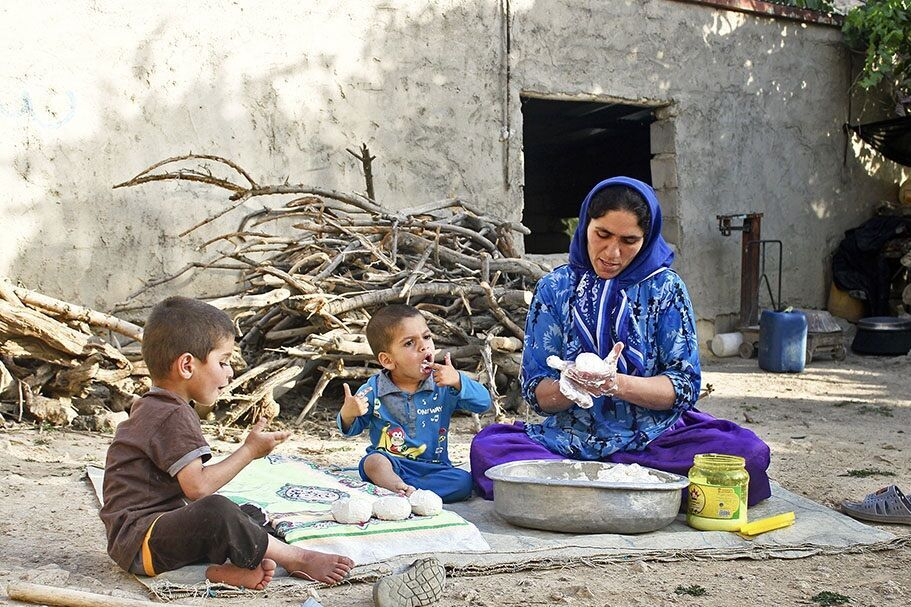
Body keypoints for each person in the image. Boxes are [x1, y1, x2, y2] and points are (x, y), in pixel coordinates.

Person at [470, 177, 771, 506]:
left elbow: (683, 386)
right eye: (602, 234)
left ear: (648, 237)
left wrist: (616, 384)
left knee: (748, 456)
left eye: (629, 240)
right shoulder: (554, 289)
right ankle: (636, 489)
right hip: (569, 439)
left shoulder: (666, 290)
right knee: (489, 448)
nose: (612, 252)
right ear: (586, 224)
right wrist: (570, 388)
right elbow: (537, 393)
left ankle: (578, 491)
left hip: (657, 439)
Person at [100, 296, 354, 590]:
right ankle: (295, 557)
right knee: (217, 512)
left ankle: (222, 570)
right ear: (186, 365)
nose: (230, 372)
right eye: (223, 362)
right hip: (143, 540)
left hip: (147, 538)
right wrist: (249, 451)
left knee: (247, 513)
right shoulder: (171, 414)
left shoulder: (155, 404)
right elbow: (198, 488)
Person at [338, 304, 492, 503]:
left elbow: (483, 403)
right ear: (387, 360)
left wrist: (458, 381)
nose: (424, 346)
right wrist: (349, 413)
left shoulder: (444, 383)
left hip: (435, 467)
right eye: (409, 343)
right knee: (373, 462)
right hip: (392, 463)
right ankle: (397, 485)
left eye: (427, 337)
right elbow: (351, 429)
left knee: (463, 482)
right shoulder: (373, 390)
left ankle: (402, 491)